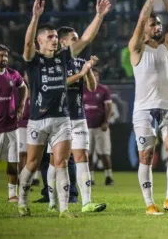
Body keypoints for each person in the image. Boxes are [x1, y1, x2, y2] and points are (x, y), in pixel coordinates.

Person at [17, 0, 111, 218]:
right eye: (49, 37)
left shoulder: (64, 57)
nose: (54, 40)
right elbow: (27, 43)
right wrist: (35, 17)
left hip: (62, 119)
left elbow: (86, 39)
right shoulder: (34, 60)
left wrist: (99, 16)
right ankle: (21, 202)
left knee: (60, 163)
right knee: (32, 163)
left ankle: (64, 209)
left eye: (55, 37)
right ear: (41, 41)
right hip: (38, 119)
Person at [128, 0, 168, 215]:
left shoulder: (166, 46)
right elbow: (141, 20)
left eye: (158, 24)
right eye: (153, 25)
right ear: (144, 31)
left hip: (167, 107)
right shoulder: (136, 48)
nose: (157, 27)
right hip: (144, 110)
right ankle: (149, 203)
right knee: (147, 155)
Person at [43, 26, 106, 213]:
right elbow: (61, 84)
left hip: (78, 116)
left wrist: (87, 70)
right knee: (56, 161)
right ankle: (52, 201)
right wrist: (80, 72)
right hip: (58, 118)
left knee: (82, 157)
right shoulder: (53, 62)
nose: (77, 42)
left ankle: (87, 202)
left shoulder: (79, 62)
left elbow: (92, 87)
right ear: (63, 42)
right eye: (74, 39)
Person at [0, 44, 28, 202]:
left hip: (12, 127)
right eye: (1, 56)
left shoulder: (13, 74)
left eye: (6, 56)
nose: (4, 59)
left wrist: (20, 106)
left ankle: (12, 195)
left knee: (13, 162)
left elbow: (23, 88)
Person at [84, 68, 114, 186]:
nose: (95, 78)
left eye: (96, 75)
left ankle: (108, 177)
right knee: (88, 154)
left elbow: (109, 107)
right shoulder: (82, 89)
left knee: (104, 153)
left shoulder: (103, 90)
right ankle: (90, 178)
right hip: (86, 127)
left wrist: (106, 122)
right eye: (92, 75)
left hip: (100, 126)